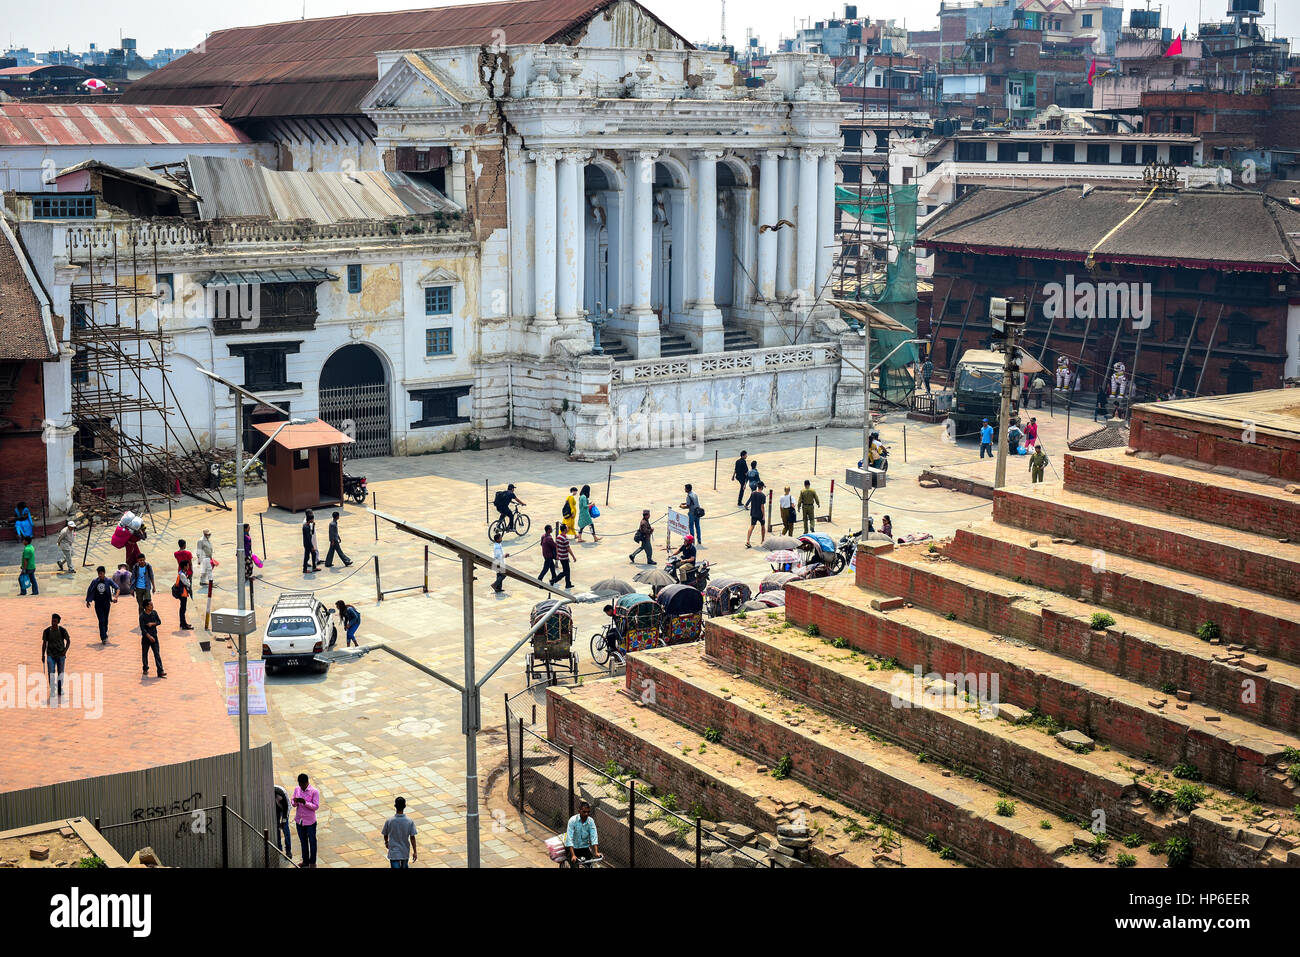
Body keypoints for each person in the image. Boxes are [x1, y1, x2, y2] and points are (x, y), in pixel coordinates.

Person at [292, 772, 320, 868]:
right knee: (303, 842)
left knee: (312, 842)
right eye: (300, 785)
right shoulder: (297, 789)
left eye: (302, 785)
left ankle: (312, 863)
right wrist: (295, 802)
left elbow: (316, 806)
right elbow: (293, 801)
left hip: (310, 822)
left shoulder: (314, 791)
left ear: (307, 782)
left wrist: (305, 803)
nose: (301, 787)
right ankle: (305, 861)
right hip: (299, 821)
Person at [381, 796, 418, 868]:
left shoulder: (389, 821)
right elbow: (412, 838)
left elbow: (385, 834)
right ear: (405, 806)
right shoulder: (409, 822)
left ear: (395, 806)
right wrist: (415, 852)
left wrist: (386, 842)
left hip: (394, 851)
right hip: (404, 851)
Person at [85, 565, 117, 644]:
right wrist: (88, 601)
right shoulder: (95, 581)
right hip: (98, 604)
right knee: (101, 620)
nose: (100, 575)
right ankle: (103, 637)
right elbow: (89, 590)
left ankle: (104, 633)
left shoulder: (108, 580)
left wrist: (115, 597)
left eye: (101, 573)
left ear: (104, 573)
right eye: (99, 573)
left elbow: (117, 588)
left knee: (105, 620)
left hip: (106, 604)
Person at [41, 613, 71, 697]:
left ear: (58, 622)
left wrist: (65, 651)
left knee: (60, 672)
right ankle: (52, 689)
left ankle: (59, 688)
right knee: (51, 672)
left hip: (61, 655)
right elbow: (44, 644)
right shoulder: (46, 631)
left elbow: (68, 641)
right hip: (50, 655)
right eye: (52, 621)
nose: (53, 623)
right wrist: (43, 655)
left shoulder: (62, 630)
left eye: (55, 621)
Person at [564, 799, 600, 868]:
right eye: (584, 812)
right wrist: (573, 855)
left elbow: (594, 836)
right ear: (579, 811)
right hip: (572, 848)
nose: (586, 814)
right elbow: (569, 838)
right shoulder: (572, 821)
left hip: (584, 848)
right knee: (574, 865)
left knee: (591, 865)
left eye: (588, 812)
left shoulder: (591, 821)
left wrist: (596, 852)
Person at [139, 598, 165, 679]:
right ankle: (145, 668)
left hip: (154, 636)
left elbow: (159, 622)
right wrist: (149, 637)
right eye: (150, 605)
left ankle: (160, 671)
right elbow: (142, 629)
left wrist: (153, 624)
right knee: (145, 654)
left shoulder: (154, 613)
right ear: (146, 607)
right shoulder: (142, 616)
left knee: (157, 654)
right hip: (146, 638)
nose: (152, 606)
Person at [745, 482, 766, 549]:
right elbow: (762, 506)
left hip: (753, 513)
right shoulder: (763, 495)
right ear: (762, 487)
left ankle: (748, 540)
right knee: (762, 526)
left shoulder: (753, 493)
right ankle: (762, 540)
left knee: (752, 526)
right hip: (760, 514)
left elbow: (749, 500)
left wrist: (746, 505)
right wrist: (764, 515)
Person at [273, 785, 292, 858]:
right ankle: (279, 848)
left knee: (285, 828)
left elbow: (286, 810)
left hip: (285, 808)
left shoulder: (281, 795)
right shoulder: (269, 794)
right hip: (276, 808)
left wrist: (283, 821)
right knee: (277, 827)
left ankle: (288, 850)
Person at [174, 564, 194, 631]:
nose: (188, 567)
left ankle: (183, 623)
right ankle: (183, 625)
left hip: (182, 592)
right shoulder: (182, 574)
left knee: (182, 609)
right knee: (183, 609)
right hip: (183, 593)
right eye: (187, 566)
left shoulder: (181, 573)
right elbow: (187, 584)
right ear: (184, 566)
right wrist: (188, 580)